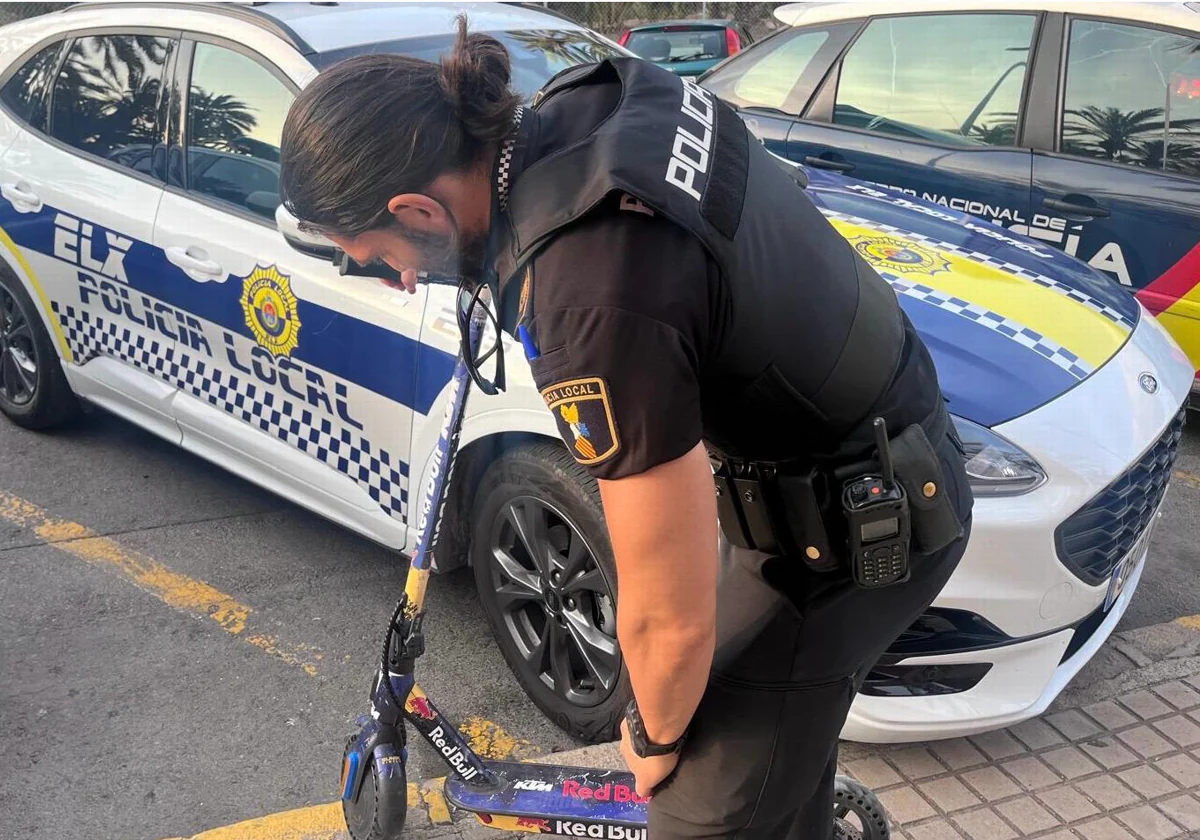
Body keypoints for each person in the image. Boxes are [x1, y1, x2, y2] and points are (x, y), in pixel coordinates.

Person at [279, 18, 973, 840]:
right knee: (777, 762)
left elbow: (667, 616)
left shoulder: (587, 297)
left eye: (376, 254)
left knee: (695, 814)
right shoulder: (592, 102)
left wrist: (653, 733)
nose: (395, 280)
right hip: (849, 466)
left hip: (855, 530)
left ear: (417, 208)